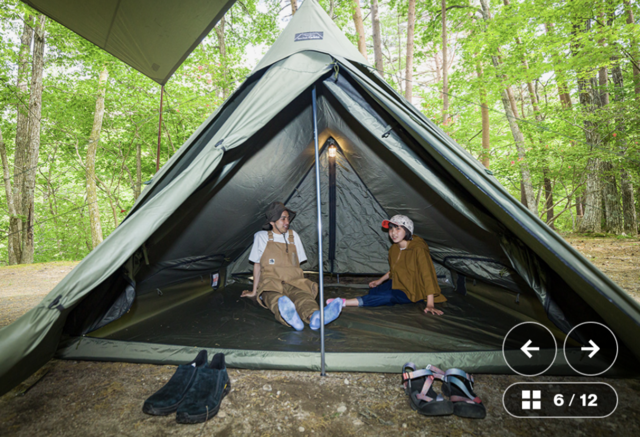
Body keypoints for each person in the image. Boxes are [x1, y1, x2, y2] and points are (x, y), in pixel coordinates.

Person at [241, 202, 343, 330]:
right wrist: (254, 291)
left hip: (294, 281)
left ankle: (315, 317)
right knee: (275, 299)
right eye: (283, 218)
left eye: (288, 218)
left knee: (304, 297)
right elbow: (257, 265)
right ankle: (290, 318)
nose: (287, 221)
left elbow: (297, 263)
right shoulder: (261, 237)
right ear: (272, 222)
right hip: (271, 282)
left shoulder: (293, 236)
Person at [328, 215, 446, 315]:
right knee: (375, 292)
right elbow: (395, 270)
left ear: (407, 230)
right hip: (400, 282)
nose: (393, 233)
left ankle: (342, 302)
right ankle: (365, 298)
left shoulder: (418, 249)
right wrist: (379, 281)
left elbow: (427, 275)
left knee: (388, 296)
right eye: (391, 229)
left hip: (414, 289)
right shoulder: (394, 248)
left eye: (398, 229)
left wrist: (430, 304)